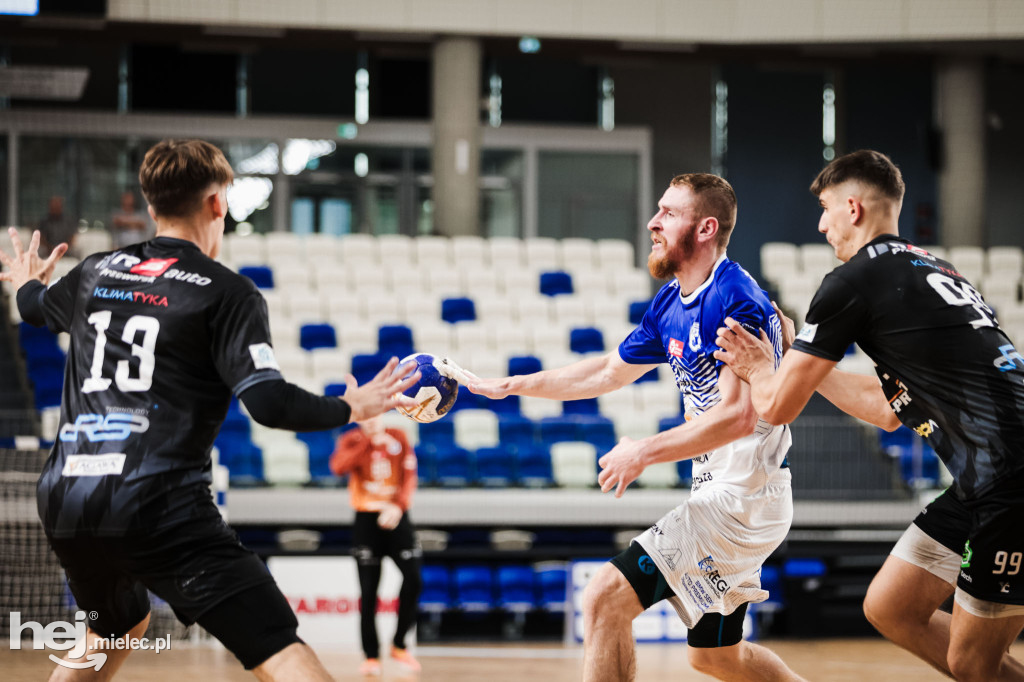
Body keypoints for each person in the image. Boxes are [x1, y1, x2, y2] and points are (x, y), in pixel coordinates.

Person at [0, 138, 421, 682]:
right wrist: (350, 406)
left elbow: (33, 307)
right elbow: (268, 402)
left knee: (113, 631)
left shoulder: (97, 272)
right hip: (157, 503)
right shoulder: (227, 293)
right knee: (277, 645)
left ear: (151, 207)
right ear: (219, 203)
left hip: (67, 499)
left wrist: (28, 280)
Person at [467, 174, 807, 682]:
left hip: (742, 498)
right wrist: (514, 385)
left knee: (604, 597)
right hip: (727, 493)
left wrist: (643, 451)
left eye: (669, 213)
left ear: (706, 227)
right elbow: (606, 372)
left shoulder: (736, 297)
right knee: (715, 657)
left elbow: (739, 417)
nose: (653, 222)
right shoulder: (671, 302)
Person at [714, 149, 1024, 682]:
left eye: (826, 209)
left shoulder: (851, 281)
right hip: (985, 475)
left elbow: (778, 405)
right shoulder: (931, 270)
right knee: (891, 607)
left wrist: (758, 368)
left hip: (1010, 477)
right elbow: (885, 410)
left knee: (972, 662)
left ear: (853, 208)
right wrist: (793, 361)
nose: (821, 224)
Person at [329, 416, 422, 677]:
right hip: (366, 520)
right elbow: (339, 467)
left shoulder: (399, 436)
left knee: (414, 578)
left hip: (397, 515)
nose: (370, 420)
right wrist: (368, 442)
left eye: (375, 414)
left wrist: (398, 506)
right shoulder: (351, 439)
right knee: (369, 591)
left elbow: (409, 476)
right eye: (365, 415)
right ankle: (371, 656)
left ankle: (399, 644)